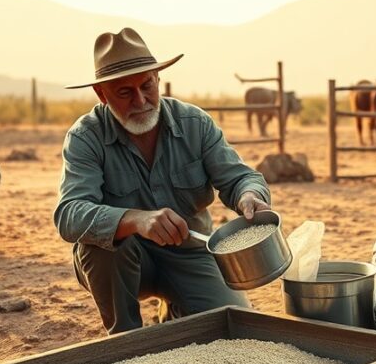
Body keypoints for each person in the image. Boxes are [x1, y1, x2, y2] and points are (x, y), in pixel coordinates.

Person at [55, 27, 272, 334]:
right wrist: (135, 220)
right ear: (102, 94)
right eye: (125, 93)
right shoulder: (85, 137)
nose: (141, 100)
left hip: (191, 253)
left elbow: (240, 177)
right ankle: (126, 341)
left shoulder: (195, 123)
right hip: (123, 265)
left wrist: (249, 194)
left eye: (147, 86)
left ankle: (174, 311)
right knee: (99, 247)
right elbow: (69, 215)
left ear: (157, 78)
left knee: (233, 327)